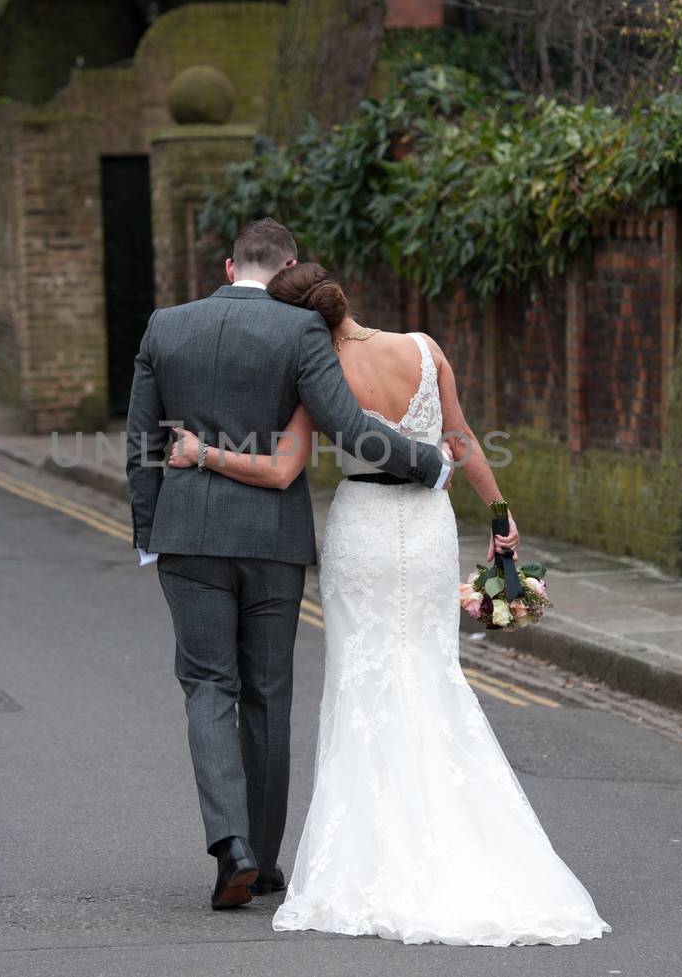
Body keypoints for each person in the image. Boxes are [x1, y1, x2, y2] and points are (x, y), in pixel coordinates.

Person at [167, 261, 610, 947]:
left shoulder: (315, 373)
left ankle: (378, 846)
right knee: (432, 672)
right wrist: (499, 514)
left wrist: (202, 452)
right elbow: (459, 439)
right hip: (430, 529)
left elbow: (282, 468)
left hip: (365, 531)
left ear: (299, 323)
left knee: (364, 680)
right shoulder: (423, 347)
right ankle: (466, 835)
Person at [124, 220, 451, 911]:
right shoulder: (297, 331)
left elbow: (142, 443)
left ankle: (230, 846)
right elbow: (345, 422)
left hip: (189, 537)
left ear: (227, 265)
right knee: (268, 692)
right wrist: (426, 461)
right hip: (273, 539)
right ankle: (265, 863)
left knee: (209, 686)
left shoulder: (164, 326)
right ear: (289, 267)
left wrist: (152, 533)